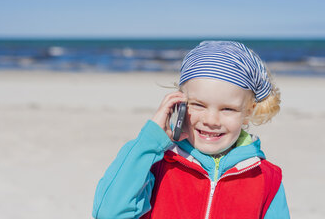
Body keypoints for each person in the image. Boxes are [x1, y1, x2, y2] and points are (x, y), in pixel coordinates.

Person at [92, 41, 290, 219]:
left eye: (227, 109)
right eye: (198, 105)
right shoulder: (157, 163)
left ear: (248, 112)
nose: (211, 120)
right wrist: (150, 141)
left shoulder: (266, 178)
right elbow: (109, 213)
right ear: (179, 103)